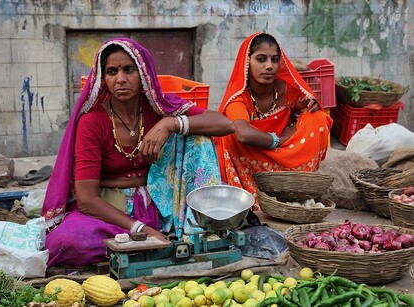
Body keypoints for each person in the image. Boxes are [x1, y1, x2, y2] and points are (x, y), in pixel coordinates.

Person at [41, 37, 234, 267]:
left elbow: (224, 124)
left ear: (143, 73)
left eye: (128, 70)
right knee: (66, 242)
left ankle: (196, 227)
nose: (120, 79)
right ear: (103, 78)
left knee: (198, 138)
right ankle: (142, 240)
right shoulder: (92, 122)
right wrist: (141, 230)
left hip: (159, 199)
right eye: (112, 72)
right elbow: (87, 199)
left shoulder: (158, 108)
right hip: (111, 208)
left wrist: (170, 124)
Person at [214, 32, 333, 210]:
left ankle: (297, 188)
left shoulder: (289, 90)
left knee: (317, 118)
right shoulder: (238, 98)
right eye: (261, 59)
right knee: (230, 134)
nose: (269, 66)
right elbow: (244, 134)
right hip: (253, 158)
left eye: (274, 59)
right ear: (247, 62)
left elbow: (307, 109)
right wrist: (280, 140)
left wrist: (305, 110)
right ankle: (255, 193)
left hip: (286, 157)